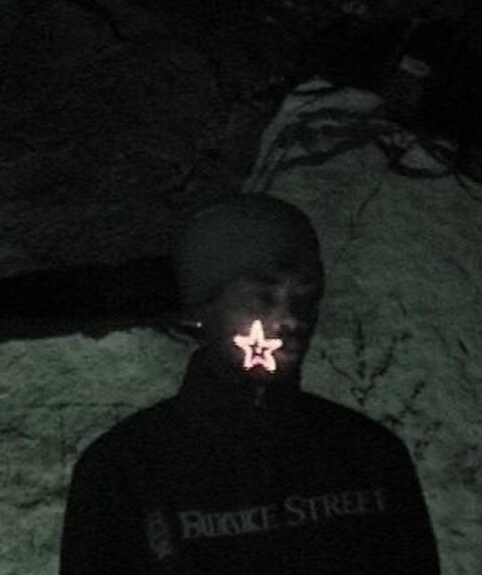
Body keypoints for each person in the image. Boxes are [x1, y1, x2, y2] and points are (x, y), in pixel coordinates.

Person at [59, 194, 441, 575]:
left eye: (306, 296)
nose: (290, 318)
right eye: (263, 297)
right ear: (204, 305)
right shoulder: (125, 470)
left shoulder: (368, 455)